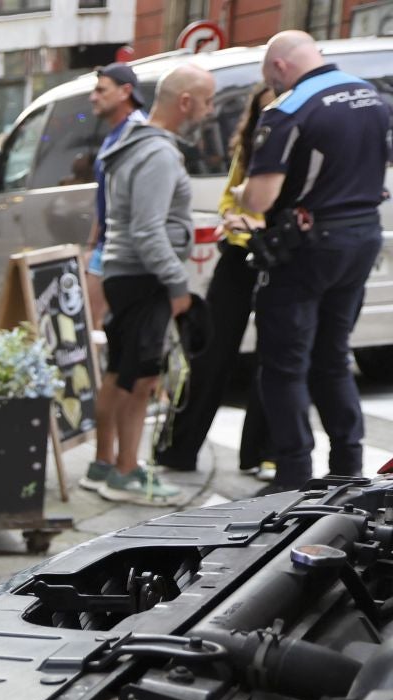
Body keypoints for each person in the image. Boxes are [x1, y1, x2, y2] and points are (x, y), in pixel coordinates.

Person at [239, 30, 392, 492]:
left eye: (271, 76)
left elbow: (259, 199)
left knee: (284, 364)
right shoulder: (374, 96)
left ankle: (293, 476)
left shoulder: (288, 109)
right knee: (333, 356)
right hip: (362, 236)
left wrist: (244, 193)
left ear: (281, 67)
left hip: (306, 246)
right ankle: (348, 466)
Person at [95, 62, 216, 506]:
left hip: (128, 272)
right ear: (185, 102)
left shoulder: (134, 142)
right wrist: (177, 283)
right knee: (141, 378)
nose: (209, 109)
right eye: (206, 100)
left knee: (119, 372)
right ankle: (125, 471)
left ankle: (105, 463)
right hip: (144, 276)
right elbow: (148, 230)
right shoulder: (158, 153)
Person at [154, 86, 276, 477]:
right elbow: (230, 196)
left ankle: (263, 453)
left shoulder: (298, 140)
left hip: (278, 255)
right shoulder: (250, 144)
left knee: (274, 357)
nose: (270, 113)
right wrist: (234, 216)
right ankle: (178, 448)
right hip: (239, 251)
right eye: (263, 108)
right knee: (210, 350)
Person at [80, 63, 149, 374]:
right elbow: (105, 196)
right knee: (94, 325)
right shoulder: (115, 135)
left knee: (117, 332)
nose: (93, 97)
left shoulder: (136, 134)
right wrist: (92, 243)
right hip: (107, 245)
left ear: (126, 92)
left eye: (101, 90)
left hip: (125, 249)